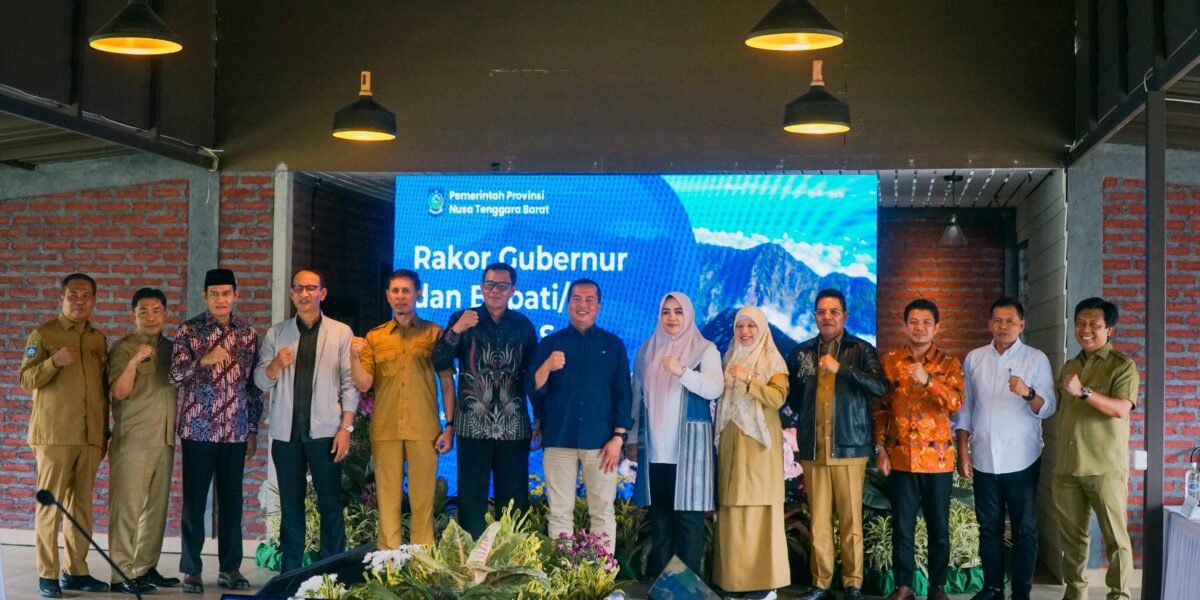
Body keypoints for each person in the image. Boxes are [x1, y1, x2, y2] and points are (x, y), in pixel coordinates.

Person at [255, 269, 360, 572]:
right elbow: (261, 381)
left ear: (322, 294)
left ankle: (331, 572)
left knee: (330, 505)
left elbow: (350, 384)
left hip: (327, 432)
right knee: (291, 507)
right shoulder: (277, 333)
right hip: (286, 434)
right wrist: (276, 365)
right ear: (291, 294)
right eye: (298, 288)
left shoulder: (340, 332)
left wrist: (346, 428)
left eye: (311, 288)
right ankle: (291, 573)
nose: (304, 294)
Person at [789, 288, 888, 600]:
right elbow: (794, 398)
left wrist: (842, 370)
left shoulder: (861, 349)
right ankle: (820, 584)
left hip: (849, 446)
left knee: (850, 520)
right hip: (814, 448)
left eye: (834, 311)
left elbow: (879, 386)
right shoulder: (802, 352)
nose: (827, 317)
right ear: (814, 316)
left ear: (845, 315)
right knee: (818, 521)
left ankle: (852, 584)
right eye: (821, 312)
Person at [955, 297, 1056, 600]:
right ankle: (993, 588)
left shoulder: (1036, 359)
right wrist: (963, 451)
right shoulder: (974, 358)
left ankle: (1021, 592)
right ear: (990, 324)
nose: (1003, 326)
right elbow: (965, 408)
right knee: (989, 528)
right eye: (998, 320)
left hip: (1022, 458)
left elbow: (1048, 407)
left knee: (1024, 528)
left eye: (1010, 321)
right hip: (984, 457)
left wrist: (1027, 392)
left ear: (1021, 325)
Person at [169, 268, 263, 593]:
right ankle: (191, 570)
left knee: (232, 502)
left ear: (236, 295)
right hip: (198, 430)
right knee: (195, 502)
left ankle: (230, 568)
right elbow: (174, 376)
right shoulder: (189, 330)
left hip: (235, 430)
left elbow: (253, 387)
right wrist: (203, 361)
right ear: (204, 296)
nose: (221, 300)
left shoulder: (248, 334)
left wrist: (252, 428)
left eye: (226, 293)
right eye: (214, 294)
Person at [431, 263, 539, 539]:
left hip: (513, 427)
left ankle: (512, 556)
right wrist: (456, 330)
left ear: (513, 290)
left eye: (502, 285)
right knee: (471, 499)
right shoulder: (464, 318)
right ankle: (471, 558)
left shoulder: (523, 325)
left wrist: (539, 418)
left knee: (514, 500)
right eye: (490, 284)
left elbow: (533, 378)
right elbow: (439, 361)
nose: (495, 290)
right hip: (472, 426)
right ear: (481, 287)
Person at [19, 273, 110, 598]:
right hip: (54, 436)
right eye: (73, 295)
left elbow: (102, 390)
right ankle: (47, 575)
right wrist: (53, 363)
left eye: (86, 296)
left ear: (94, 300)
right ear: (62, 298)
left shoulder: (98, 339)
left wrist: (104, 432)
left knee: (81, 507)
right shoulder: (44, 334)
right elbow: (25, 379)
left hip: (89, 436)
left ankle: (76, 572)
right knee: (50, 507)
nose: (79, 301)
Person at [352, 268, 455, 548]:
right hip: (385, 429)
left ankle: (422, 562)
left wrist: (449, 427)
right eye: (395, 291)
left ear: (418, 294)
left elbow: (447, 383)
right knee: (387, 501)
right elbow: (364, 384)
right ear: (388, 296)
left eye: (406, 291)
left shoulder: (434, 333)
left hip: (425, 429)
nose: (400, 296)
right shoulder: (375, 337)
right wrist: (353, 358)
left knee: (423, 502)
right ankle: (389, 563)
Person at [527, 278, 632, 553]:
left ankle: (601, 572)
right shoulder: (550, 343)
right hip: (558, 439)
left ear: (598, 306)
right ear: (567, 304)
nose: (582, 305)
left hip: (602, 443)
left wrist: (619, 438)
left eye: (589, 299)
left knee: (602, 511)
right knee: (559, 512)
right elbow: (533, 389)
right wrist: (547, 366)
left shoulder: (613, 345)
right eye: (576, 299)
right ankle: (563, 571)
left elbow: (624, 394)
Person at [874, 299, 964, 600]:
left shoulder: (949, 364)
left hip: (938, 461)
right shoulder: (890, 362)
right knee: (902, 527)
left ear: (937, 327)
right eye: (913, 321)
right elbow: (881, 409)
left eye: (926, 322)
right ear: (905, 326)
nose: (920, 327)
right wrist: (880, 448)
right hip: (900, 458)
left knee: (939, 529)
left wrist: (929, 382)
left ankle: (938, 586)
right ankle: (904, 586)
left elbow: (956, 403)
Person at [628, 292, 722, 577]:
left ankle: (687, 589)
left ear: (688, 315)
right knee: (660, 521)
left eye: (678, 312)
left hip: (690, 452)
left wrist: (683, 371)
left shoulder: (705, 350)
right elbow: (636, 397)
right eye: (666, 312)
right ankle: (662, 587)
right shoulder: (647, 350)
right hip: (655, 452)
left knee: (688, 522)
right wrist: (632, 438)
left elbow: (715, 388)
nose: (671, 317)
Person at [1054, 297, 1137, 600]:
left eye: (1094, 324)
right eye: (1080, 323)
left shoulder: (1122, 366)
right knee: (1072, 541)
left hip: (1104, 468)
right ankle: (1075, 593)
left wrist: (1084, 392)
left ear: (1109, 329)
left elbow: (1121, 409)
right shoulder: (1070, 365)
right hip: (1068, 467)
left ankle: (1120, 596)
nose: (1085, 329)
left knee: (1116, 540)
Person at [712, 306, 790, 600]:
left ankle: (764, 586)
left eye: (751, 326)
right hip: (731, 444)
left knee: (759, 509)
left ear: (762, 330)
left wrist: (748, 381)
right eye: (740, 326)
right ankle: (734, 583)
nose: (744, 332)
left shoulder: (773, 360)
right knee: (732, 508)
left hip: (759, 447)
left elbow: (778, 398)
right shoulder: (728, 357)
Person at [106, 288, 181, 594]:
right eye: (143, 312)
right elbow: (119, 392)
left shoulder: (172, 348)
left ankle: (145, 567)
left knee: (155, 509)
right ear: (133, 315)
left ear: (165, 314)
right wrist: (135, 360)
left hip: (164, 439)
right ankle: (120, 574)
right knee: (127, 510)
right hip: (133, 441)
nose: (151, 318)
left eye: (156, 311)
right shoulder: (124, 348)